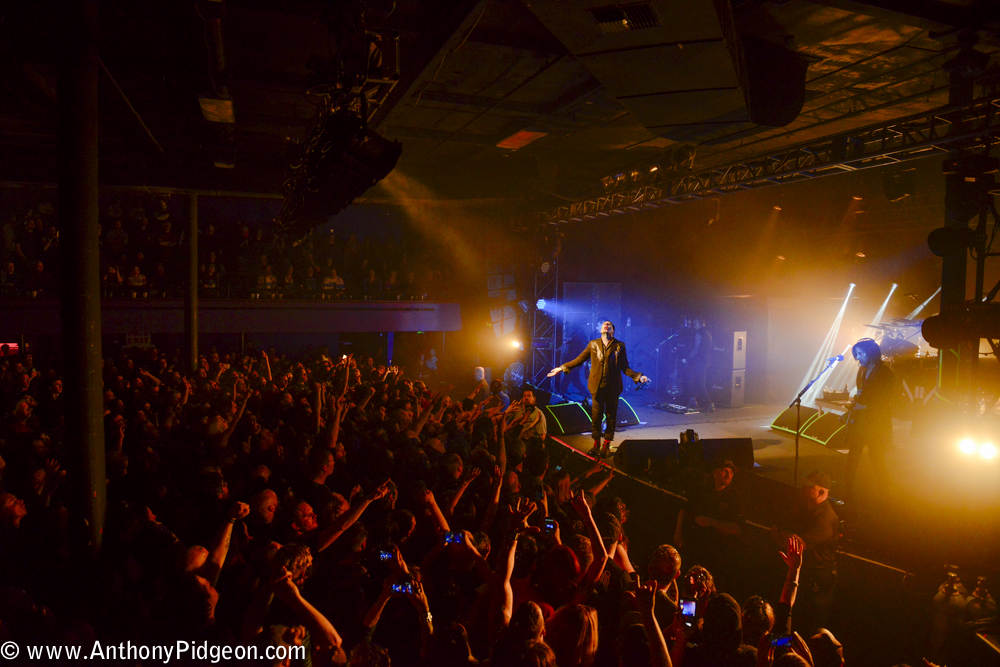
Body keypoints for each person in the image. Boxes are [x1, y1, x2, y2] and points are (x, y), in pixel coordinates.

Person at [547, 320, 648, 458]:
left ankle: (606, 445)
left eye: (609, 325)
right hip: (597, 386)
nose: (606, 326)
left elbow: (625, 367)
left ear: (612, 331)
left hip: (612, 387)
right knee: (596, 417)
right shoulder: (593, 344)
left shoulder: (620, 346)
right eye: (604, 325)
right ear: (601, 330)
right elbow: (579, 359)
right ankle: (596, 444)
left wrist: (639, 376)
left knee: (611, 417)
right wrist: (561, 367)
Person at [771, 471, 839, 634]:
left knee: (805, 627)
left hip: (815, 585)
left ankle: (799, 657)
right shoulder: (804, 506)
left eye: (809, 487)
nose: (803, 489)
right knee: (785, 617)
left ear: (822, 492)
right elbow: (779, 522)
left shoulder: (826, 520)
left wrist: (780, 534)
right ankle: (780, 650)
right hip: (800, 575)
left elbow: (795, 546)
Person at [673, 459, 745, 591]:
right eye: (725, 471)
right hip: (696, 546)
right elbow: (684, 510)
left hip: (718, 552)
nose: (728, 476)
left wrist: (711, 522)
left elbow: (738, 529)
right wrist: (678, 533)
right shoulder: (703, 490)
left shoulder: (735, 497)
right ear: (715, 473)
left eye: (731, 472)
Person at [842, 337, 896, 502]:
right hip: (861, 423)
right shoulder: (862, 371)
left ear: (871, 353)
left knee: (877, 460)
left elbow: (888, 400)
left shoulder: (885, 373)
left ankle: (886, 496)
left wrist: (865, 407)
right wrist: (852, 410)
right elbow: (862, 396)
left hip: (877, 424)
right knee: (852, 459)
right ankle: (846, 495)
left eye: (860, 354)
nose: (857, 358)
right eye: (856, 354)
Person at [684, 316, 714, 412]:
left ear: (697, 324)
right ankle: (693, 400)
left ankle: (709, 404)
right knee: (694, 380)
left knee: (697, 382)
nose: (693, 326)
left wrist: (688, 359)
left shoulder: (698, 333)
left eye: (694, 324)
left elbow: (696, 349)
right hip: (706, 360)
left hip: (699, 361)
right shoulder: (708, 333)